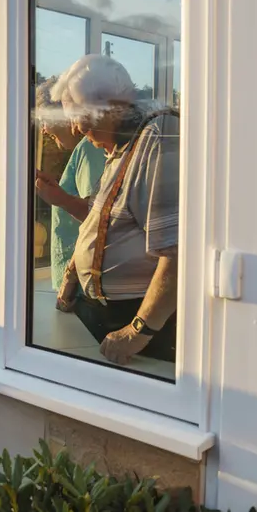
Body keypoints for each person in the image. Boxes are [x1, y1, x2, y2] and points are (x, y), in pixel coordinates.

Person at [35, 54, 180, 366]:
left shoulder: (159, 137)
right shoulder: (124, 145)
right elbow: (102, 219)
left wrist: (138, 331)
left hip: (137, 321)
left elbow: (179, 253)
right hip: (106, 313)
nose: (75, 128)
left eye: (82, 119)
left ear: (107, 105)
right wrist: (74, 276)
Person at [34, 77, 107, 290]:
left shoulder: (89, 149)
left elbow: (96, 218)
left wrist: (59, 198)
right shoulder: (83, 149)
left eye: (45, 120)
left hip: (79, 286)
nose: (43, 130)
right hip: (77, 283)